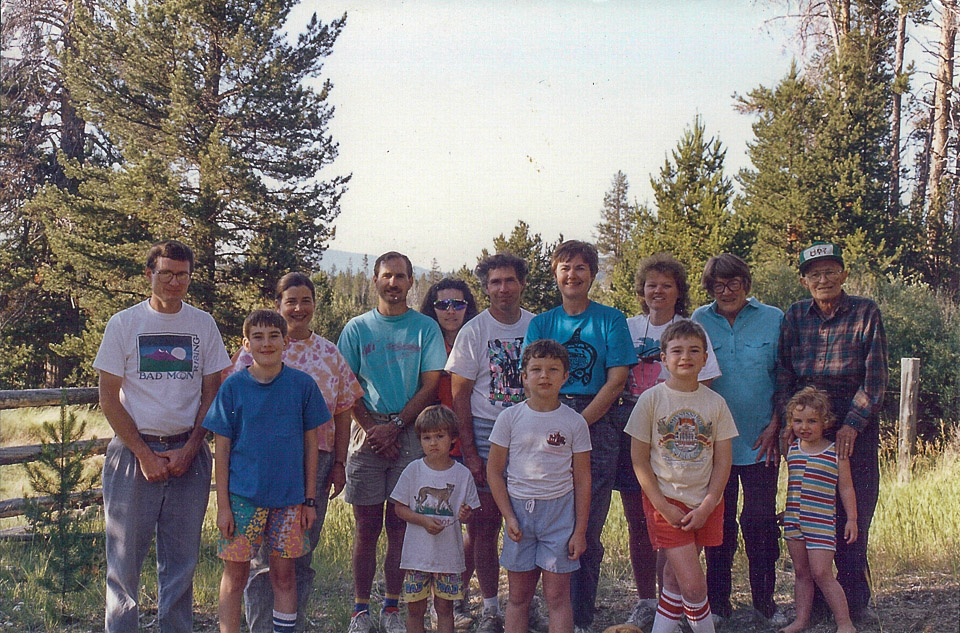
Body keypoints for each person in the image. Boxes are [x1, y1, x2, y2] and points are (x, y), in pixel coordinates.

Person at [94, 239, 232, 633]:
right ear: (149, 274)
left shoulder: (202, 324)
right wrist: (143, 454)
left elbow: (213, 392)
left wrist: (192, 448)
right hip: (134, 455)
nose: (175, 282)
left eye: (182, 274)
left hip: (188, 454)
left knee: (181, 562)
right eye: (166, 273)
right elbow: (108, 397)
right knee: (123, 563)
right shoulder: (124, 324)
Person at [226, 272, 364, 633]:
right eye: (291, 301)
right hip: (261, 467)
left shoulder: (329, 353)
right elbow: (233, 406)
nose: (299, 308)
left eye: (306, 300)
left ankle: (291, 626)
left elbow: (344, 408)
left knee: (297, 554)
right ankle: (259, 627)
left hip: (311, 465)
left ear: (314, 305)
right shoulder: (254, 350)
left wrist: (339, 462)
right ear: (278, 305)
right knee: (259, 560)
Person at [523, 240, 634, 633]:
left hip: (597, 422)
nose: (573, 275)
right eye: (565, 267)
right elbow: (533, 376)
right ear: (555, 274)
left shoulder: (611, 319)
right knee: (547, 518)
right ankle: (546, 610)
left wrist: (578, 423)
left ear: (593, 273)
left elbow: (617, 378)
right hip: (547, 418)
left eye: (581, 268)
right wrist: (553, 421)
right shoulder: (542, 323)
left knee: (585, 527)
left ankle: (580, 618)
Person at [774, 241, 887, 625]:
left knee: (853, 518)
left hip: (855, 427)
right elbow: (784, 373)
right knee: (810, 512)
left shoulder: (865, 313)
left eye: (830, 271)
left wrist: (851, 425)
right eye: (814, 273)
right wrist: (789, 423)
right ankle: (816, 608)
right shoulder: (794, 316)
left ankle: (854, 605)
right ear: (804, 280)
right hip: (807, 426)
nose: (823, 279)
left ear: (843, 274)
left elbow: (875, 379)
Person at [338, 251, 448, 633]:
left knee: (401, 526)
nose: (393, 283)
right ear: (375, 280)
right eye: (386, 276)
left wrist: (398, 425)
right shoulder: (357, 329)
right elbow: (347, 384)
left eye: (400, 276)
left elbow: (431, 383)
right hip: (365, 431)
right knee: (366, 527)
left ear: (411, 281)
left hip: (410, 432)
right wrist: (372, 428)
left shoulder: (425, 328)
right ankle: (360, 609)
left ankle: (391, 607)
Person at [203, 309, 330, 633]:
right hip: (244, 498)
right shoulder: (233, 387)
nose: (266, 343)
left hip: (289, 501)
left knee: (284, 576)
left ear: (286, 341)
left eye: (274, 336)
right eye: (257, 337)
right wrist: (224, 506)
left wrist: (310, 500)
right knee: (236, 576)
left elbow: (311, 444)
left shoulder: (302, 385)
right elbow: (222, 447)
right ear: (246, 343)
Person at [618, 253, 721, 630]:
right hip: (635, 426)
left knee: (676, 537)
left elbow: (702, 386)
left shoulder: (691, 330)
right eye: (651, 285)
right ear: (642, 291)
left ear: (679, 291)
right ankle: (650, 603)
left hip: (678, 441)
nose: (658, 291)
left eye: (666, 284)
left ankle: (671, 609)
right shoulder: (628, 326)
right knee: (640, 521)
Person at [691, 254, 786, 627]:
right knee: (719, 525)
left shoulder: (773, 318)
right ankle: (718, 605)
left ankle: (766, 604)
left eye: (733, 283)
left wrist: (777, 424)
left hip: (763, 438)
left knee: (760, 522)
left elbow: (785, 376)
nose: (726, 291)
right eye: (717, 285)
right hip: (715, 444)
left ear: (746, 283)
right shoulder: (699, 320)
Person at [625, 320, 737, 633]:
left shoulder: (715, 403)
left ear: (705, 359)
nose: (685, 357)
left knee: (674, 580)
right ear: (663, 358)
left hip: (705, 503)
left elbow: (723, 461)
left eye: (694, 351)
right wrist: (661, 505)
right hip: (667, 503)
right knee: (693, 587)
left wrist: (708, 505)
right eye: (676, 351)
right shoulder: (651, 399)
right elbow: (639, 459)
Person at [446, 252, 535, 633]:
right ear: (486, 288)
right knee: (483, 526)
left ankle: (524, 605)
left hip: (528, 431)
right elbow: (460, 395)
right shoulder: (474, 331)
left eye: (509, 280)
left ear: (522, 284)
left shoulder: (537, 325)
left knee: (527, 523)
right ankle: (490, 607)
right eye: (495, 282)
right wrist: (470, 452)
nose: (503, 288)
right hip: (484, 432)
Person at [487, 340, 591, 633]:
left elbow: (583, 479)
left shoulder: (574, 422)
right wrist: (508, 515)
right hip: (519, 513)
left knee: (558, 597)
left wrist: (579, 531)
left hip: (559, 515)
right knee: (519, 597)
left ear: (565, 377)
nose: (544, 376)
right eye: (536, 370)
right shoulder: (509, 418)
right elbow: (494, 472)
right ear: (524, 376)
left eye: (552, 370)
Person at [390, 405, 481, 633]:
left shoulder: (462, 475)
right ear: (419, 439)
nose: (433, 443)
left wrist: (465, 515)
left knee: (445, 609)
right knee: (415, 610)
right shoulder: (413, 471)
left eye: (440, 436)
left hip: (448, 557)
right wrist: (422, 520)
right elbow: (399, 509)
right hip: (416, 557)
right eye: (427, 437)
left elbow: (470, 514)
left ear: (453, 439)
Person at [780, 387, 858, 633]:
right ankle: (801, 620)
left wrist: (852, 519)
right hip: (794, 522)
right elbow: (794, 484)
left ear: (826, 422)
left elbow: (846, 488)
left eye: (812, 421)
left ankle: (845, 623)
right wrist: (787, 510)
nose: (804, 427)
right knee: (802, 573)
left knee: (822, 573)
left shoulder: (836, 453)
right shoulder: (793, 450)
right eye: (798, 421)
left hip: (821, 523)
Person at [420, 278, 479, 410]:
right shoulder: (423, 346)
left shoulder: (479, 344)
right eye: (442, 305)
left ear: (467, 307)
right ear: (432, 308)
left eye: (458, 304)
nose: (451, 311)